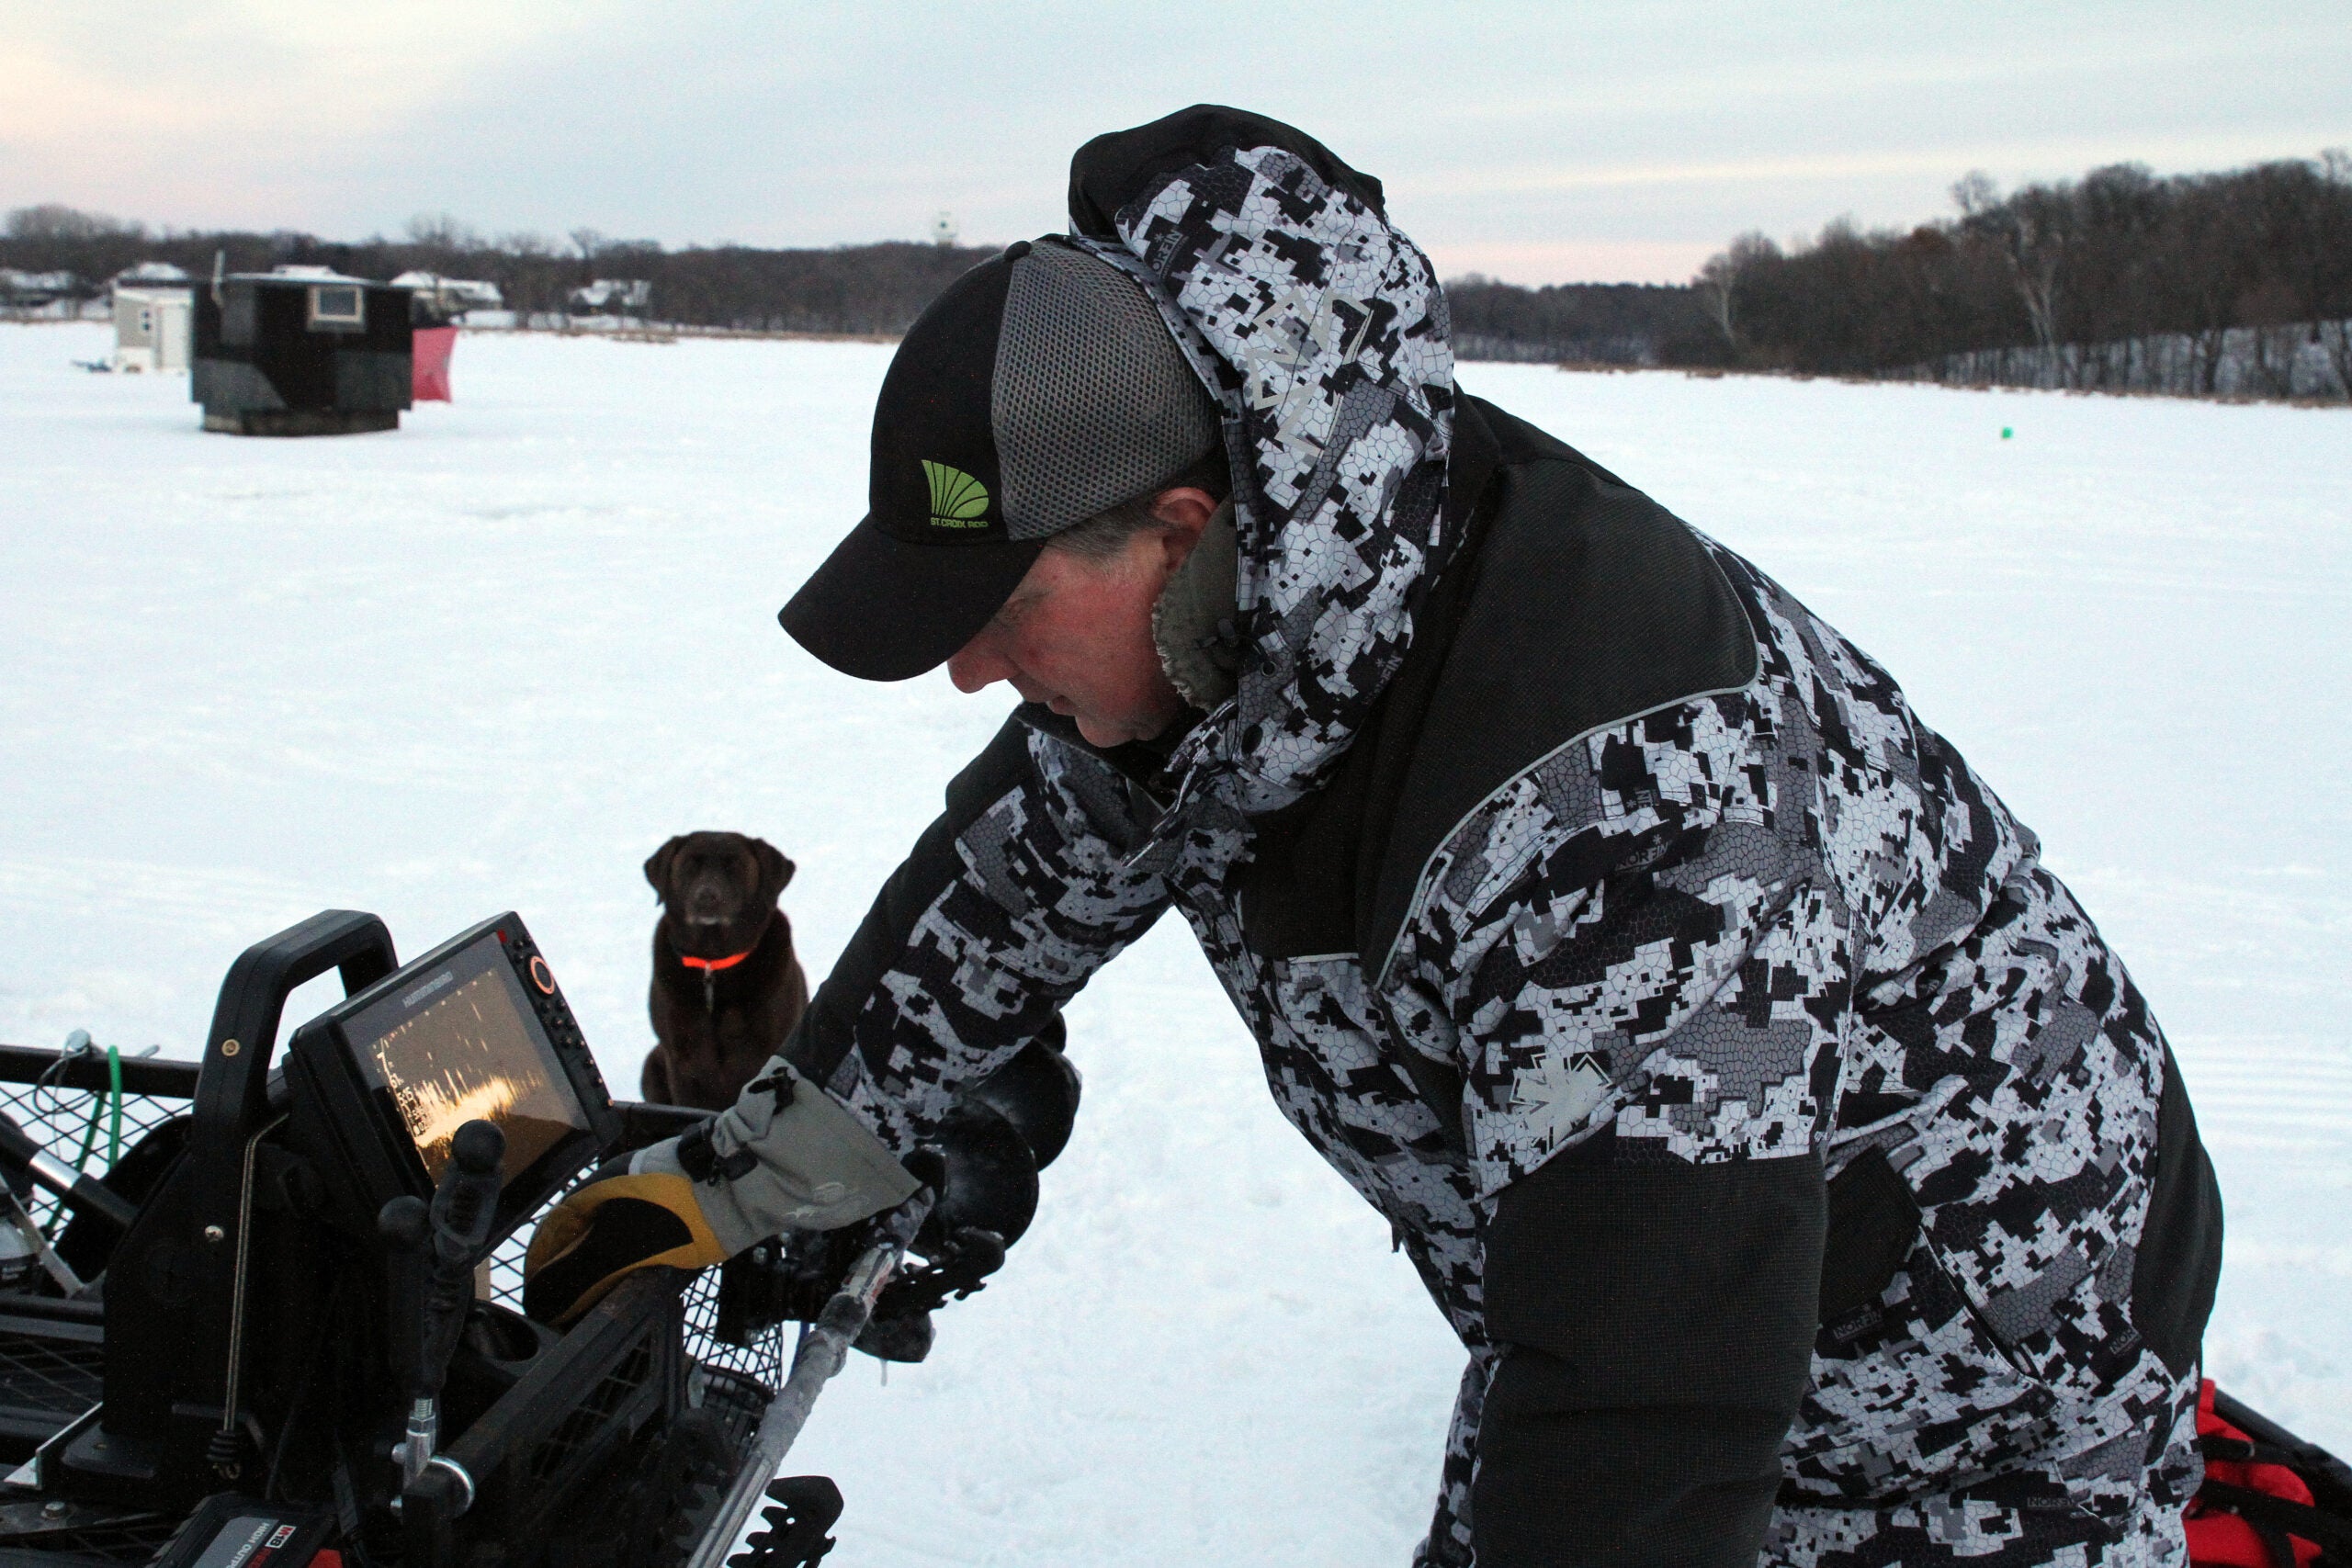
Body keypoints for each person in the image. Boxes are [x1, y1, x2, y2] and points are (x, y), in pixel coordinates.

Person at [526, 107, 2223, 1567]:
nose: (971, 669)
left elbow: (1647, 1423)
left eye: (1004, 610)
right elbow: (1012, 889)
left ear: (1175, 535)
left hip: (1957, 1416)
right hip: (1605, 1309)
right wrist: (763, 1180)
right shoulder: (1242, 625)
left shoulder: (1624, 832)